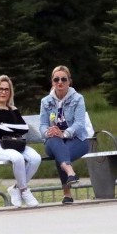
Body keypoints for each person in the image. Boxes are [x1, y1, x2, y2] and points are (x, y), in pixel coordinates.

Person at [0, 75, 41, 207]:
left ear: (10, 92)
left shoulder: (13, 110)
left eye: (6, 89)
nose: (3, 92)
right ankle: (24, 190)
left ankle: (16, 188)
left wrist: (6, 126)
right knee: (18, 158)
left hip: (17, 143)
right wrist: (11, 128)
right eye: (0, 89)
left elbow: (24, 128)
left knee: (36, 158)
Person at [39, 65, 89, 205]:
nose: (59, 82)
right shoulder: (45, 101)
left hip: (77, 140)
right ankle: (70, 172)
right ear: (52, 81)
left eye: (63, 79)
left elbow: (79, 123)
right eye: (56, 79)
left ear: (69, 81)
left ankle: (67, 194)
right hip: (53, 140)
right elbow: (42, 124)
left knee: (60, 153)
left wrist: (64, 133)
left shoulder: (78, 99)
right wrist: (48, 132)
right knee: (56, 144)